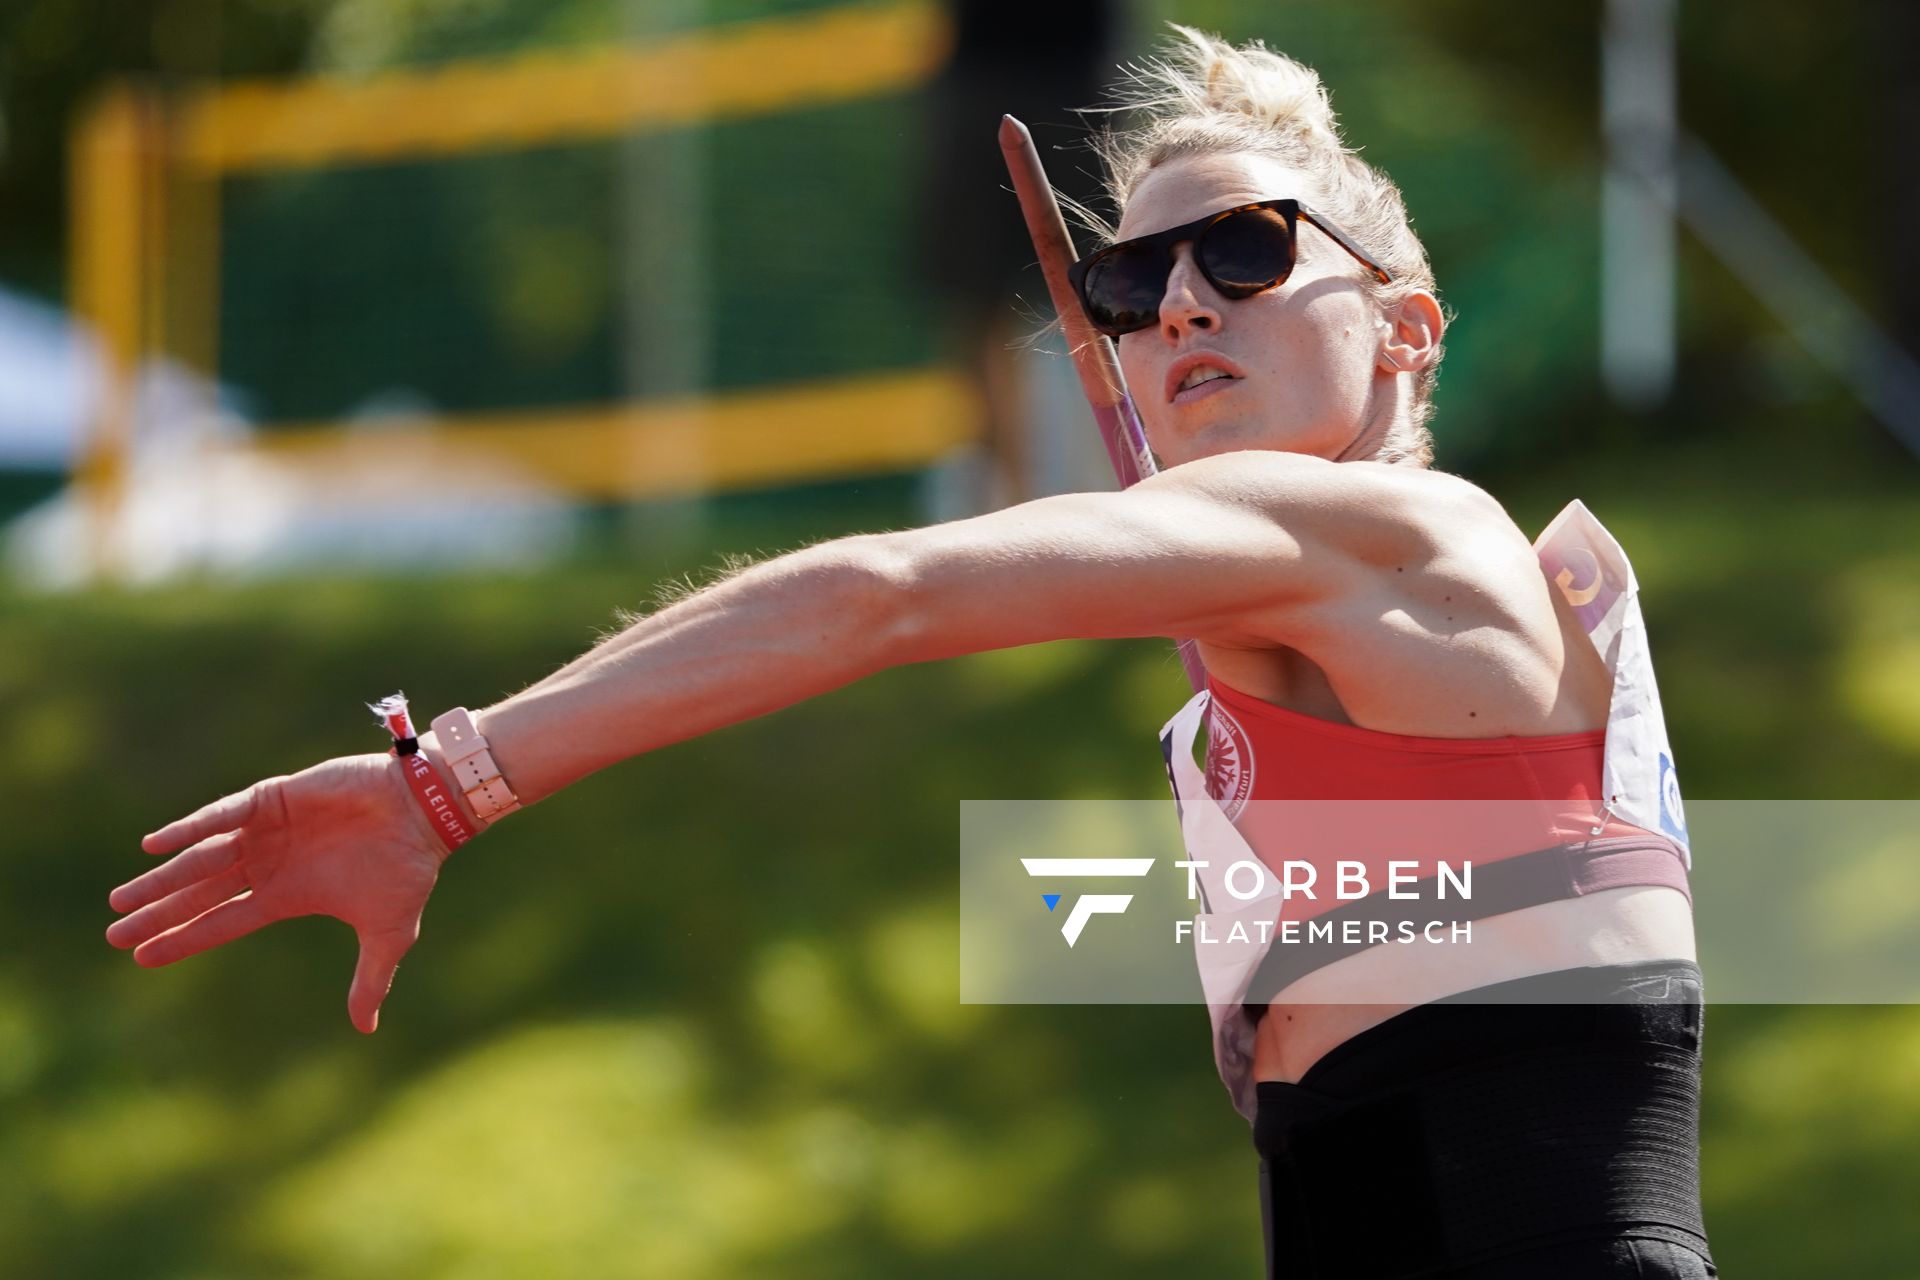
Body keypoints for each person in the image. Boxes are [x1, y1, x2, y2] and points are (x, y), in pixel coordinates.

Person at [107, 27, 1715, 1279]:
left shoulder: (1399, 536)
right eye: (1130, 281)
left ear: (1409, 328)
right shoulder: (1313, 636)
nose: (1179, 311)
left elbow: (882, 595)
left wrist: (441, 785)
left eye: (1245, 253)